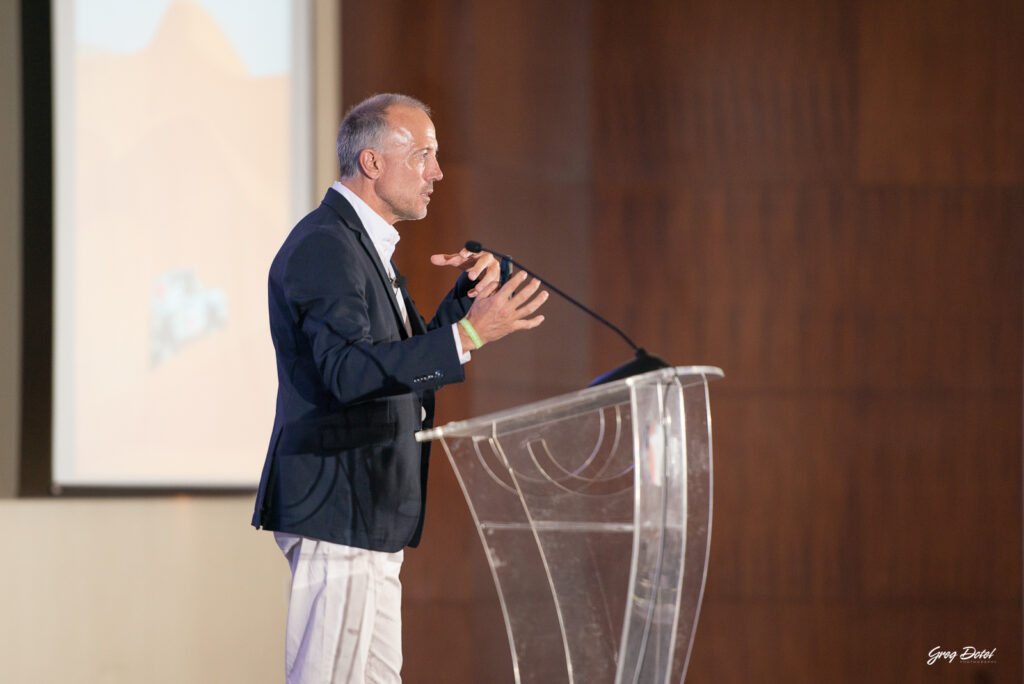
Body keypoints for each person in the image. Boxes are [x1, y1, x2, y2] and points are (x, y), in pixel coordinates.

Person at [251, 93, 548, 684]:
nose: (436, 173)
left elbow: (391, 361)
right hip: (341, 507)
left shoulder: (360, 247)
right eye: (422, 155)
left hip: (368, 510)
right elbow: (348, 372)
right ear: (371, 163)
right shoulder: (325, 247)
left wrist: (466, 302)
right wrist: (465, 335)